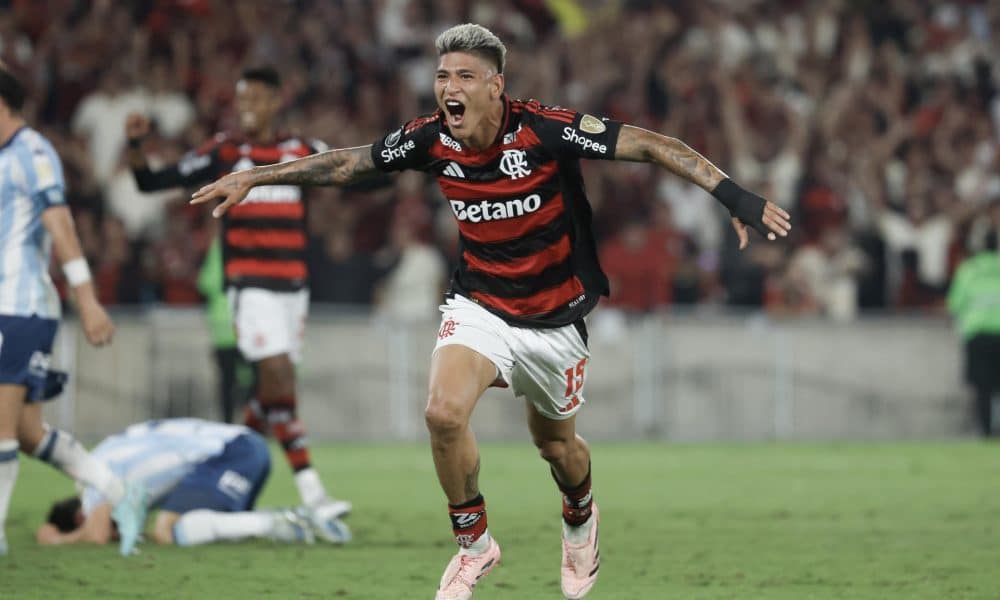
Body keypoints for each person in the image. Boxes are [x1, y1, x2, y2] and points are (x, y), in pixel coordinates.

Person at [191, 24, 791, 600]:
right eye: (442, 76)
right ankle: (474, 544)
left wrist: (732, 196)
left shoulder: (546, 129)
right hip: (481, 305)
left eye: (465, 77)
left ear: (495, 86)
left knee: (557, 448)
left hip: (556, 319)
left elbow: (653, 145)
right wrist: (259, 175)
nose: (449, 88)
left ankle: (580, 518)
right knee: (442, 412)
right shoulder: (430, 139)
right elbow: (350, 164)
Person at [124, 66, 351, 542]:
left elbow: (355, 175)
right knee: (278, 377)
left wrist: (404, 160)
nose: (246, 107)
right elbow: (152, 182)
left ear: (275, 101)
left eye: (256, 98)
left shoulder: (302, 150)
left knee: (271, 396)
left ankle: (227, 466)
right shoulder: (225, 151)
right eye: (241, 98)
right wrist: (138, 147)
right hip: (250, 286)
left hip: (294, 289)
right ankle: (314, 494)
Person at [0, 62, 145, 557]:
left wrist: (86, 300)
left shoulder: (33, 152)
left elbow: (60, 226)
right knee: (26, 432)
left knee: (1, 426)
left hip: (20, 306)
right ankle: (123, 493)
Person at [36, 418, 344, 548]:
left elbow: (97, 535)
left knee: (167, 530)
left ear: (80, 515)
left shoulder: (92, 481)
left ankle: (287, 522)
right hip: (244, 444)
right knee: (209, 523)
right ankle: (281, 519)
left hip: (227, 455)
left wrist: (56, 539)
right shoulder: (109, 448)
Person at [947, 226, 1000, 437]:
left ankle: (986, 432)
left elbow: (955, 304)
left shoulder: (968, 270)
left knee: (982, 388)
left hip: (977, 333)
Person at [197, 233, 254, 423]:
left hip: (224, 330)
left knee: (228, 383)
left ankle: (228, 424)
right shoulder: (253, 246)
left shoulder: (219, 246)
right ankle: (251, 423)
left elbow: (205, 282)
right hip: (246, 329)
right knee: (253, 379)